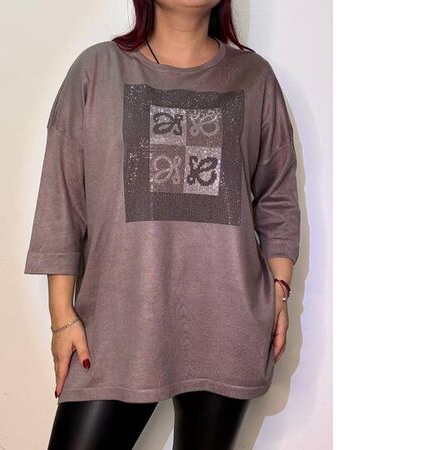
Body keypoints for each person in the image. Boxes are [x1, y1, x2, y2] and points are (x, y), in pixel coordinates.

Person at [24, 0, 301, 448]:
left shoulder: (255, 78)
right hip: (116, 325)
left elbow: (278, 194)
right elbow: (62, 199)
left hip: (227, 325)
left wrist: (280, 290)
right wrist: (62, 317)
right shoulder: (97, 71)